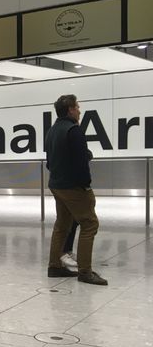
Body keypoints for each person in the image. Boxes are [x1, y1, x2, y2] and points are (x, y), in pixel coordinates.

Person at [44, 95, 107, 285]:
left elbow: (50, 163)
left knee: (62, 225)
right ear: (70, 109)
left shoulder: (52, 131)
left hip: (56, 185)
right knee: (89, 224)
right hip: (74, 187)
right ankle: (85, 272)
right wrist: (85, 184)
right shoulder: (74, 130)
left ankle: (55, 266)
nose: (79, 110)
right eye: (77, 107)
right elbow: (81, 163)